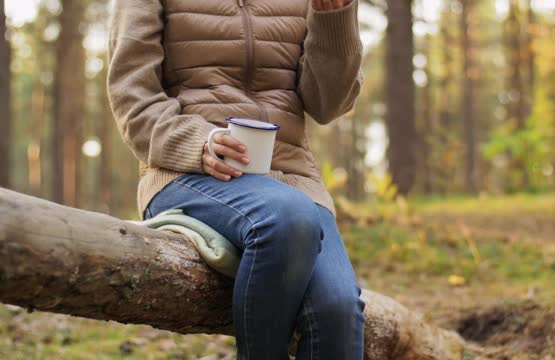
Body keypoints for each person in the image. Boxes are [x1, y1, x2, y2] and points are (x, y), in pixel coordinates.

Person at [107, 0, 365, 359]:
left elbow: (327, 104)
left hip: (293, 179)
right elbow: (133, 98)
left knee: (336, 308)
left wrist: (333, 17)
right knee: (287, 217)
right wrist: (197, 143)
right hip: (188, 172)